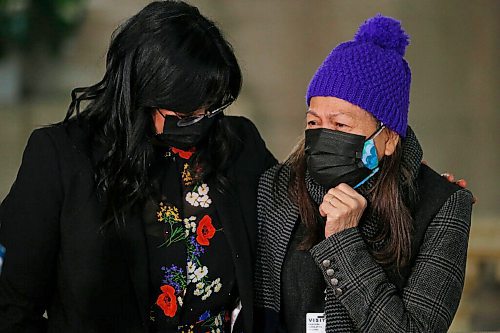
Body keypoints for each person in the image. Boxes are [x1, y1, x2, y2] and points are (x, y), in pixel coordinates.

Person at [0, 1, 276, 332]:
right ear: (138, 95)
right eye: (185, 115)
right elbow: (11, 308)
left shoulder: (239, 146)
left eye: (212, 108)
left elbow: (293, 228)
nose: (201, 124)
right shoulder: (63, 158)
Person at [254, 14, 474, 333]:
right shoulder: (277, 187)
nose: (323, 135)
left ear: (389, 139)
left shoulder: (441, 205)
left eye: (341, 125)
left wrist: (344, 241)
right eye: (314, 122)